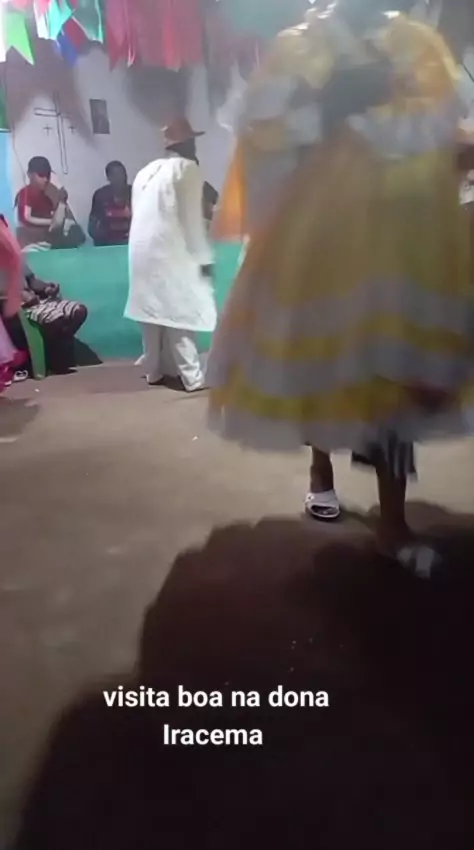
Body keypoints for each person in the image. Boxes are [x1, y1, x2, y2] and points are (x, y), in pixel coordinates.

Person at [207, 1, 474, 577]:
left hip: (403, 235)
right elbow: (264, 138)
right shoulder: (300, 46)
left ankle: (393, 522)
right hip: (324, 234)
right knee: (326, 360)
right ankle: (321, 470)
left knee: (396, 371)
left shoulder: (416, 44)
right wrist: (326, 109)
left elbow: (438, 128)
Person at [125, 118, 216, 392]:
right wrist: (204, 259)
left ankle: (153, 371)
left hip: (140, 253)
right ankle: (193, 377)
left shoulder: (145, 172)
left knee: (151, 314)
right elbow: (192, 220)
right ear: (188, 144)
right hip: (169, 251)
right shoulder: (187, 169)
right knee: (181, 313)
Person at [15, 156, 85, 250]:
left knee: (75, 231)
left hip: (51, 239)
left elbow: (65, 218)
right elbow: (25, 218)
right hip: (34, 241)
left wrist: (60, 193)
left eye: (47, 176)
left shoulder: (51, 193)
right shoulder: (26, 193)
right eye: (41, 175)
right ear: (30, 175)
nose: (45, 180)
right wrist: (50, 222)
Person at [88, 161, 132, 247]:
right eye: (116, 175)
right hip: (107, 244)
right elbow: (92, 228)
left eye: (123, 174)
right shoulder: (100, 196)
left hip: (130, 242)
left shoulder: (134, 192)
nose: (121, 178)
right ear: (108, 178)